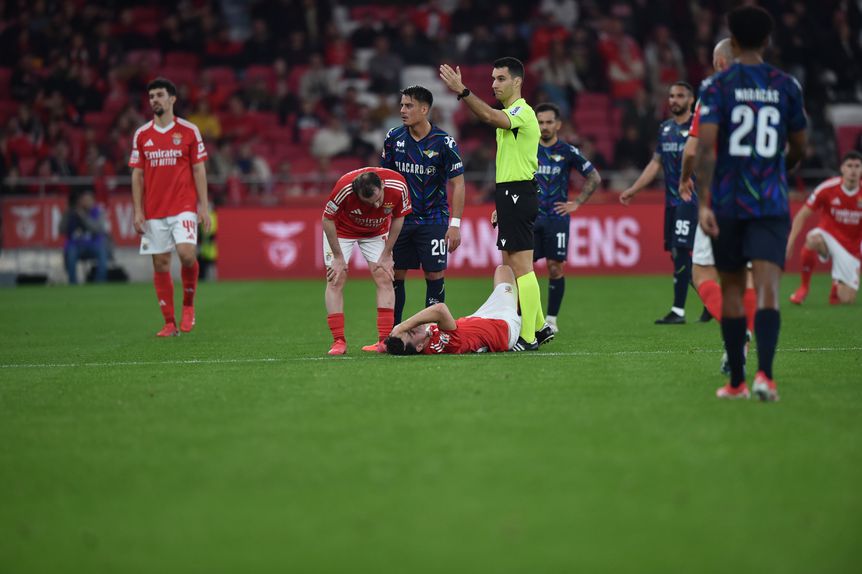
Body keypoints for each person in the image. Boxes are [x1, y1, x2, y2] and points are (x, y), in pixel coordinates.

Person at [694, 6, 807, 401]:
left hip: (727, 202)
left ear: (734, 41)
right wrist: (779, 167)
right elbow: (800, 147)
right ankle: (767, 377)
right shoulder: (786, 85)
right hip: (772, 201)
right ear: (768, 40)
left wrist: (706, 203)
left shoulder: (716, 87)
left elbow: (705, 147)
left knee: (729, 290)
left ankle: (737, 382)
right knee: (768, 289)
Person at [440, 57, 552, 351]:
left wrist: (463, 91)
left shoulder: (521, 112)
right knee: (515, 264)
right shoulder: (513, 113)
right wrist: (502, 204)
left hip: (518, 194)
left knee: (521, 266)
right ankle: (540, 327)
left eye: (500, 78)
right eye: (492, 78)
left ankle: (528, 337)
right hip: (512, 194)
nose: (493, 84)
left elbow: (488, 117)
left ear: (517, 81)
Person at [681, 38, 758, 375]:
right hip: (758, 194)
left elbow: (692, 150)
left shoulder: (713, 91)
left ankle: (734, 331)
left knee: (700, 272)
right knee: (748, 274)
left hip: (721, 194)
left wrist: (685, 178)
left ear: (719, 62)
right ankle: (745, 335)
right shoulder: (766, 91)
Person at [130, 77, 211, 337]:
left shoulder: (189, 131)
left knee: (187, 254)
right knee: (161, 263)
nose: (155, 99)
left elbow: (198, 169)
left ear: (172, 99)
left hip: (183, 206)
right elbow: (137, 175)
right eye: (151, 96)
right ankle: (169, 322)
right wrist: (138, 210)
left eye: (160, 95)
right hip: (154, 209)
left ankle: (188, 306)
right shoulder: (142, 135)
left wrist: (203, 207)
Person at [381, 85, 466, 326]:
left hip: (433, 219)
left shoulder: (444, 142)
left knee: (434, 274)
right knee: (395, 276)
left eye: (408, 105)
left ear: (424, 109)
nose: (402, 110)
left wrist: (455, 225)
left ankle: (432, 332)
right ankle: (393, 333)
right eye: (401, 105)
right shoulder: (393, 138)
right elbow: (386, 178)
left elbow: (458, 184)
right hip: (402, 220)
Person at [620, 81, 698, 324]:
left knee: (681, 249)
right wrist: (634, 189)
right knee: (678, 255)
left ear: (691, 99)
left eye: (680, 96)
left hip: (692, 199)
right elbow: (656, 164)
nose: (674, 100)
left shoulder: (700, 128)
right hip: (672, 201)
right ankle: (710, 298)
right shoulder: (665, 129)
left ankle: (678, 311)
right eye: (671, 95)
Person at [323, 167, 411, 356]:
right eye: (370, 202)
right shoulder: (344, 188)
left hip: (375, 232)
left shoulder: (398, 185)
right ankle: (339, 341)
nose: (377, 206)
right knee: (336, 279)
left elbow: (398, 217)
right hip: (341, 231)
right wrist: (338, 257)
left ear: (383, 184)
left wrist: (387, 253)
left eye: (379, 199)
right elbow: (327, 219)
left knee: (385, 277)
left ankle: (384, 341)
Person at [533, 102, 602, 333]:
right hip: (531, 217)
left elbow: (594, 177)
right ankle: (524, 317)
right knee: (523, 270)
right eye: (540, 122)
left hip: (556, 218)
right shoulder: (528, 148)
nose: (544, 126)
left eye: (549, 122)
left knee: (554, 268)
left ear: (558, 124)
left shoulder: (567, 151)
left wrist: (578, 203)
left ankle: (551, 320)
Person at [384, 265, 522, 354]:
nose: (413, 326)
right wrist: (402, 326)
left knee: (503, 272)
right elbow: (440, 309)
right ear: (420, 347)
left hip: (482, 319)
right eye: (411, 332)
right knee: (505, 269)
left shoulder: (424, 340)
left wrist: (389, 342)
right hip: (504, 327)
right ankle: (531, 328)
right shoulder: (445, 344)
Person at [787, 151, 862, 305]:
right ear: (842, 168)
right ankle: (803, 287)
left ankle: (837, 285)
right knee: (812, 239)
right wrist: (790, 242)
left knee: (847, 300)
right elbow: (801, 215)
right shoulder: (828, 188)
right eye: (849, 166)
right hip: (829, 237)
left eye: (857, 166)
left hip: (852, 246)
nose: (853, 170)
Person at [60, 189, 109, 284]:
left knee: (102, 251)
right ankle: (72, 283)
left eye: (89, 200)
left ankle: (100, 282)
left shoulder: (98, 212)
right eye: (84, 200)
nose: (86, 202)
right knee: (70, 252)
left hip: (93, 244)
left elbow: (98, 229)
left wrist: (83, 217)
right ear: (80, 201)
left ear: (93, 201)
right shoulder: (72, 213)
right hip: (76, 245)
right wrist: (67, 214)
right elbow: (62, 230)